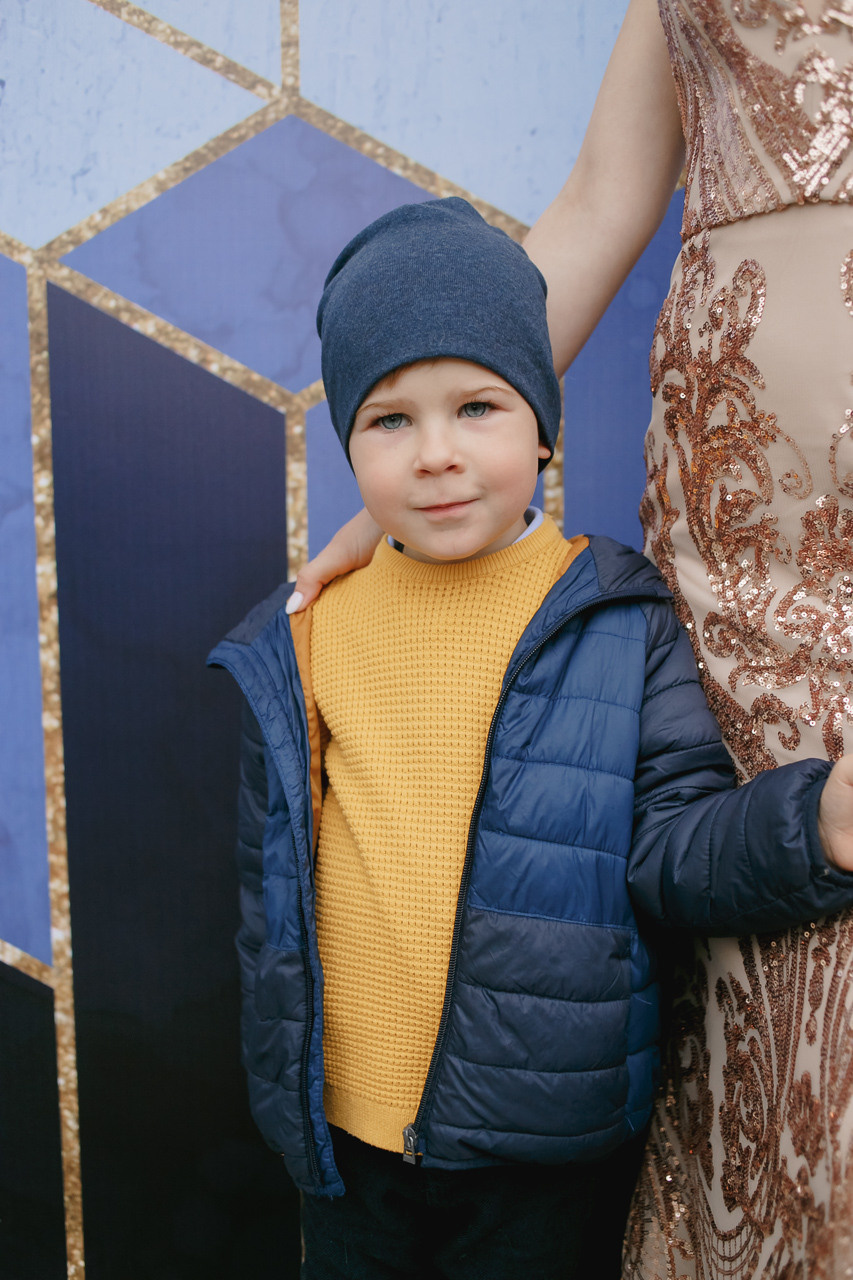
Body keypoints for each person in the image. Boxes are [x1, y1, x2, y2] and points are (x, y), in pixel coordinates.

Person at [290, 4, 853, 1273]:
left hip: (536, 1161)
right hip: (357, 1160)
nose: (435, 448)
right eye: (389, 421)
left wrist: (808, 827)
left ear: (539, 427)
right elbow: (282, 899)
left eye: (479, 406)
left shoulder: (605, 622)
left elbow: (667, 849)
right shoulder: (316, 640)